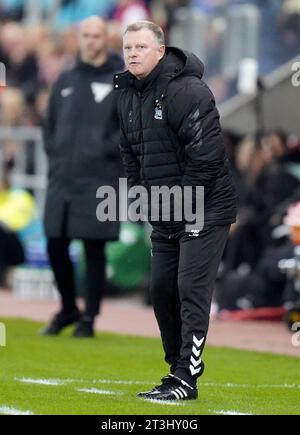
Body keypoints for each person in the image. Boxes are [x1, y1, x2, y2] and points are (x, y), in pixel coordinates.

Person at [115, 21, 237, 400]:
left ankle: (187, 376)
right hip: (165, 210)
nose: (133, 54)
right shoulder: (126, 94)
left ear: (161, 50)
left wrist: (176, 204)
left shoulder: (189, 91)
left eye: (140, 47)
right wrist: (140, 197)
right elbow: (130, 152)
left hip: (206, 207)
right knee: (161, 289)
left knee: (190, 287)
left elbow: (208, 158)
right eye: (128, 48)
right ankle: (176, 371)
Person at [42, 16, 123, 338]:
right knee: (54, 244)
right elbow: (49, 125)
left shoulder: (121, 80)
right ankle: (67, 307)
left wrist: (102, 151)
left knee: (94, 249)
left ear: (107, 39)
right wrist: (58, 153)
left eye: (97, 35)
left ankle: (89, 316)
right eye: (86, 35)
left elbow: (126, 129)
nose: (91, 41)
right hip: (63, 177)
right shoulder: (65, 79)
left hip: (100, 178)